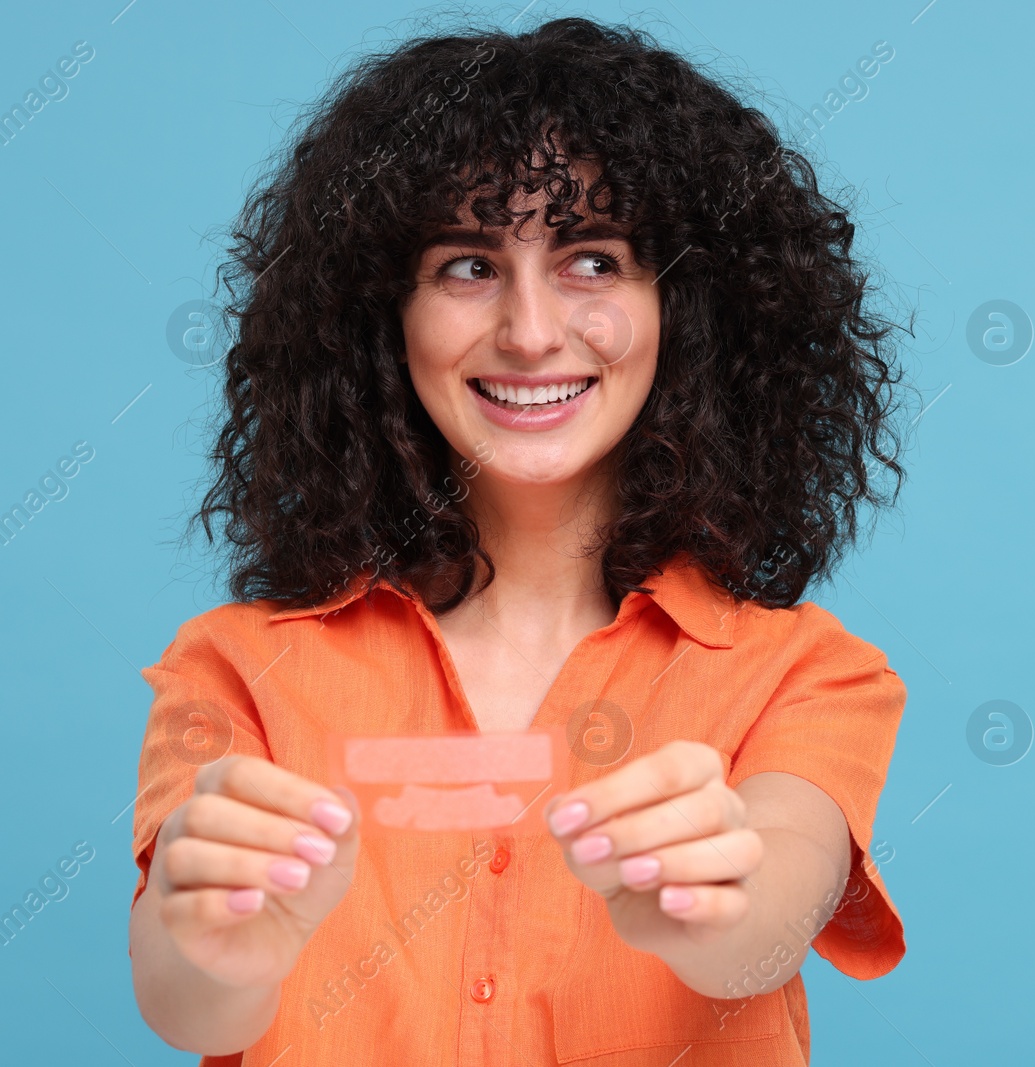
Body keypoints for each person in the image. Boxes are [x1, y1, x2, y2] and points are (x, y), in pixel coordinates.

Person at [127, 17, 909, 1066]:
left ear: (685, 308)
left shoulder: (807, 674)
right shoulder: (236, 667)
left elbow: (766, 926)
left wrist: (711, 901)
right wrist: (218, 944)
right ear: (380, 317)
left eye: (593, 258)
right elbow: (184, 1009)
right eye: (466, 266)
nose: (532, 331)